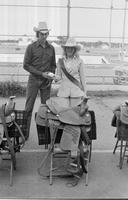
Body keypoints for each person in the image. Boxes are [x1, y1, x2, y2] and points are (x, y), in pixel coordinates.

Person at [23, 21, 56, 139]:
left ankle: (45, 136)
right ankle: (24, 134)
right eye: (42, 34)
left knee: (46, 109)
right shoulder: (30, 47)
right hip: (33, 80)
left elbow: (53, 65)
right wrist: (42, 74)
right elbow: (26, 65)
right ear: (37, 34)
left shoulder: (51, 48)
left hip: (46, 82)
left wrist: (51, 77)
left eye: (46, 34)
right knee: (28, 108)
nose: (44, 36)